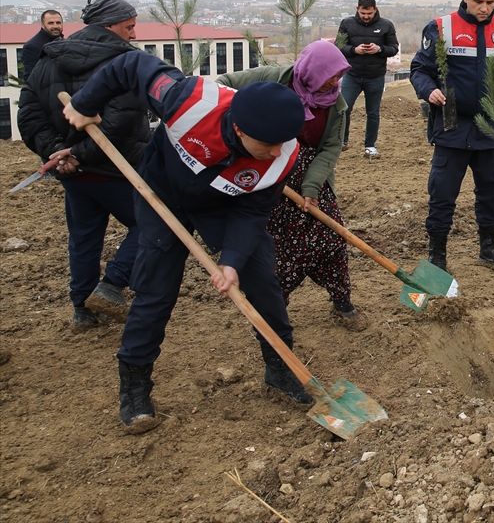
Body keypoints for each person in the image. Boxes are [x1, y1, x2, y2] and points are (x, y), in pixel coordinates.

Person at [62, 49, 311, 432]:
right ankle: (135, 385)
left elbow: (252, 212)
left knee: (262, 279)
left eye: (283, 143)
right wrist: (85, 103)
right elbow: (132, 66)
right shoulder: (189, 102)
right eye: (269, 144)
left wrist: (231, 260)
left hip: (225, 205)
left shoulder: (283, 154)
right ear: (241, 130)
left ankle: (281, 366)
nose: (277, 152)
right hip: (161, 194)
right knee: (154, 289)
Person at [217, 40, 367, 331]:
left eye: (339, 76)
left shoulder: (336, 103)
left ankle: (341, 301)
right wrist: (239, 130)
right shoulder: (273, 79)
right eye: (329, 76)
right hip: (267, 173)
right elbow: (224, 85)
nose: (335, 82)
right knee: (279, 250)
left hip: (310, 175)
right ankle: (274, 309)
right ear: (312, 71)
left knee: (332, 241)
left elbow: (330, 148)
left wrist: (311, 189)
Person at [17, 0, 147, 328]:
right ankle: (112, 284)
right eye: (129, 27)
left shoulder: (50, 60)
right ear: (111, 26)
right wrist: (75, 153)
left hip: (73, 174)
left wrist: (58, 152)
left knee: (84, 238)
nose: (133, 34)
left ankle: (83, 308)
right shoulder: (126, 62)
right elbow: (122, 120)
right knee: (153, 224)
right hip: (117, 170)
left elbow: (29, 114)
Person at [411, 0, 494, 271]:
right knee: (442, 193)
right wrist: (428, 90)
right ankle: (437, 254)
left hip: (491, 128)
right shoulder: (441, 28)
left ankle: (489, 248)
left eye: (490, 2)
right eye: (478, 2)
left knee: (490, 192)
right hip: (452, 126)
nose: (484, 8)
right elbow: (419, 69)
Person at [337, 0, 398, 158]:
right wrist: (353, 50)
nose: (366, 16)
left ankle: (370, 146)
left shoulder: (386, 25)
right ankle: (342, 141)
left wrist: (379, 49)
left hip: (375, 76)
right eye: (363, 13)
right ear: (358, 9)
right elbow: (339, 46)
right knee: (344, 108)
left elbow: (393, 48)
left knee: (373, 112)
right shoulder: (347, 23)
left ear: (375, 10)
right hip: (352, 74)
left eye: (369, 13)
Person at [20, 9, 64, 80]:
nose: (55, 26)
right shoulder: (32, 46)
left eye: (58, 23)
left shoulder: (65, 43)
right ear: (42, 25)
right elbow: (31, 77)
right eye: (50, 23)